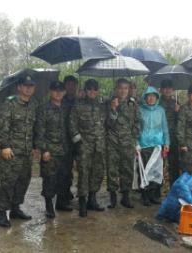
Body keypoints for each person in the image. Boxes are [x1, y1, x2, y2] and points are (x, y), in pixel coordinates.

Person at [0, 74, 37, 227]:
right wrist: (4, 146)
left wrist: (34, 146)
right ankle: (1, 213)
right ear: (19, 87)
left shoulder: (34, 104)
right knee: (8, 181)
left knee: (23, 180)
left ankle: (15, 208)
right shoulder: (10, 103)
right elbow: (3, 125)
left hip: (26, 152)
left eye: (31, 85)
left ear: (34, 88)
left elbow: (33, 128)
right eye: (25, 85)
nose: (28, 88)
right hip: (11, 151)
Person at [69, 79, 106, 217]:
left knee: (97, 172)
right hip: (84, 146)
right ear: (85, 90)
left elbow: (110, 120)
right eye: (89, 89)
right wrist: (78, 141)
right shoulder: (78, 105)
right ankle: (83, 202)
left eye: (95, 89)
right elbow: (72, 124)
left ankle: (92, 199)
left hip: (99, 145)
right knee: (84, 173)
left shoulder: (102, 106)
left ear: (97, 91)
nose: (92, 91)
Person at [35, 81, 71, 218]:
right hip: (50, 151)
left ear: (64, 92)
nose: (58, 92)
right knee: (49, 178)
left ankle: (61, 203)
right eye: (55, 90)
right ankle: (49, 205)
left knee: (63, 178)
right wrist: (44, 150)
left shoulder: (66, 108)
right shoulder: (43, 109)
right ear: (51, 91)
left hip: (64, 150)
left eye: (61, 90)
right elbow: (39, 132)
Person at [105, 78, 140, 209]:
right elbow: (106, 124)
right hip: (113, 142)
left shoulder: (133, 104)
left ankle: (125, 197)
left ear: (129, 89)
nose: (123, 91)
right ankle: (113, 198)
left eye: (125, 88)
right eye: (120, 88)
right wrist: (113, 109)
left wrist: (133, 137)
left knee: (127, 170)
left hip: (127, 143)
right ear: (116, 89)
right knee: (112, 170)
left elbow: (138, 122)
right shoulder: (109, 103)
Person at [137, 86, 170, 206]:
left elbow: (165, 127)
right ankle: (144, 195)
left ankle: (154, 195)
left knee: (156, 171)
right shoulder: (140, 110)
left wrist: (167, 143)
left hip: (157, 146)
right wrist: (136, 144)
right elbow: (136, 128)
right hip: (144, 145)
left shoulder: (161, 110)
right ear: (145, 98)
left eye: (153, 96)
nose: (151, 98)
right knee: (144, 171)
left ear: (157, 98)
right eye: (149, 96)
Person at [158, 80, 181, 186]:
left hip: (173, 138)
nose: (167, 90)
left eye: (169, 88)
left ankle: (174, 187)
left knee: (174, 164)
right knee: (158, 164)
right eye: (165, 88)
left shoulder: (176, 103)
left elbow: (180, 121)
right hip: (159, 137)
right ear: (161, 90)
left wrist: (178, 112)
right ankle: (156, 190)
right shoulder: (157, 102)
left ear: (173, 90)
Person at [61, 75, 78, 208]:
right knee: (65, 169)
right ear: (65, 86)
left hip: (78, 140)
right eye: (69, 85)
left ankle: (79, 193)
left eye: (73, 85)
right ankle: (64, 193)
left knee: (81, 168)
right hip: (64, 141)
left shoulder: (80, 101)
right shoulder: (60, 100)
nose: (71, 88)